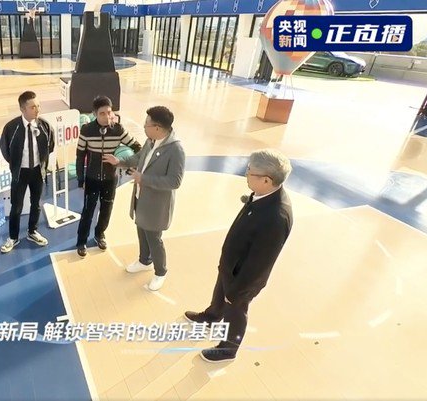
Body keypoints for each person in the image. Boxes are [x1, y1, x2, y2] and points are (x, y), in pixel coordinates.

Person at [185, 149, 293, 363]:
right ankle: (212, 316)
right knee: (220, 293)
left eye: (249, 171)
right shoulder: (262, 195)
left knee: (236, 310)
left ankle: (228, 349)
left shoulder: (276, 216)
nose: (246, 174)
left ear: (266, 180)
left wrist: (237, 291)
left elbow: (260, 262)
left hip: (243, 278)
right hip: (231, 265)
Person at [102, 106, 184, 291]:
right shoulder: (151, 140)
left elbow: (175, 181)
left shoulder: (176, 150)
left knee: (154, 238)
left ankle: (161, 272)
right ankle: (144, 261)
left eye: (146, 124)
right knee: (141, 230)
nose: (144, 126)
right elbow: (138, 158)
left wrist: (143, 179)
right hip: (141, 198)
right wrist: (120, 162)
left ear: (157, 127)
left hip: (156, 205)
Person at [75, 96, 142, 257]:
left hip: (110, 179)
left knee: (106, 209)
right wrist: (80, 179)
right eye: (102, 113)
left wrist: (123, 163)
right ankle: (81, 241)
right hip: (91, 179)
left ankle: (100, 234)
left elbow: (138, 147)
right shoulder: (86, 130)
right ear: (94, 114)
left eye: (109, 112)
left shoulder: (118, 130)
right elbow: (80, 156)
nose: (106, 117)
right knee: (88, 210)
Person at [0, 91, 55, 253]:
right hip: (20, 173)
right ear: (22, 109)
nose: (37, 110)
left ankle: (32, 231)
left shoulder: (45, 126)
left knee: (36, 204)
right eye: (33, 107)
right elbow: (5, 149)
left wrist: (41, 164)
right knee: (16, 206)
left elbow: (50, 146)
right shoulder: (11, 127)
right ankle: (13, 237)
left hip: (37, 171)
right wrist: (16, 165)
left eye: (38, 106)